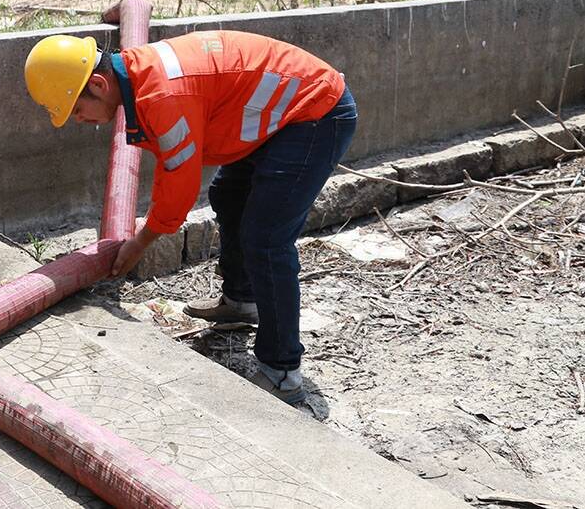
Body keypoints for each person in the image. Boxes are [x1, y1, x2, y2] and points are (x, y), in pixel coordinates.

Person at [23, 30, 357, 404]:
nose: (78, 121)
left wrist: (142, 240)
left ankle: (282, 372)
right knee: (229, 194)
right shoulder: (141, 76)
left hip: (315, 112)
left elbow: (178, 181)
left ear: (99, 85)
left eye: (75, 110)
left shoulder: (163, 95)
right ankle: (243, 300)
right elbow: (177, 163)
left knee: (266, 239)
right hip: (284, 116)